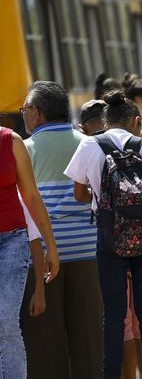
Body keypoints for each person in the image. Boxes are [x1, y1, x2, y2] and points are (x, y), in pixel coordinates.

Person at [64, 90, 142, 379]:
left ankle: (111, 374)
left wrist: (105, 199)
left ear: (106, 122)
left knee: (114, 313)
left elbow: (79, 193)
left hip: (109, 238)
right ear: (135, 121)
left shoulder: (90, 145)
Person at [16, 81, 103, 379]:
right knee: (88, 338)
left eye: (25, 109)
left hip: (42, 258)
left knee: (45, 342)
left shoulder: (24, 150)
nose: (23, 115)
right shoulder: (88, 144)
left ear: (37, 113)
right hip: (89, 253)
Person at [0, 125, 59, 379]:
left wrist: (51, 246)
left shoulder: (10, 141)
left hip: (12, 239)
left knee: (5, 320)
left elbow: (32, 196)